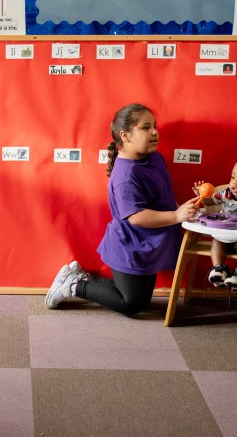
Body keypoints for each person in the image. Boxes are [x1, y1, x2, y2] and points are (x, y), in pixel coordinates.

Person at [45, 103, 200, 315]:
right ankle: (74, 285)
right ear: (125, 136)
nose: (154, 132)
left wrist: (185, 209)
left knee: (140, 299)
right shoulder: (126, 176)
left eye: (155, 126)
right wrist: (176, 215)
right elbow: (136, 217)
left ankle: (82, 278)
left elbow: (164, 192)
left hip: (148, 244)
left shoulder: (155, 157)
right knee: (132, 305)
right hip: (130, 245)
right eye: (145, 128)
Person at [197, 155, 237, 292]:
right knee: (217, 240)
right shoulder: (225, 193)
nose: (234, 183)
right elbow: (208, 203)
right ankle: (218, 269)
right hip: (224, 236)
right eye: (232, 177)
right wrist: (201, 195)